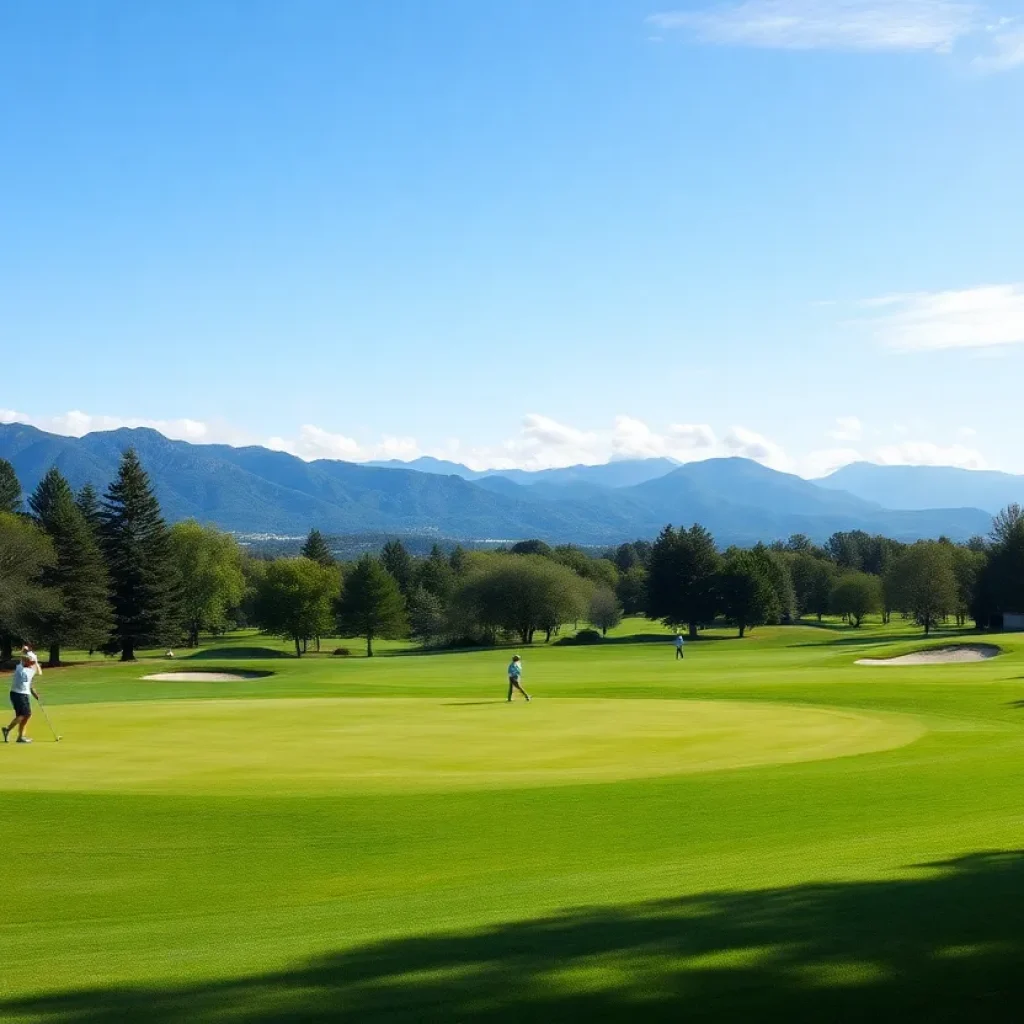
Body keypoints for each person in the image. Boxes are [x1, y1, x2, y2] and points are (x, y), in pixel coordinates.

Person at [4, 649, 41, 744]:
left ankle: (20, 737)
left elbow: (30, 684)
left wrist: (34, 693)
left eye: (32, 662)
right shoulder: (19, 667)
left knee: (25, 715)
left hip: (23, 694)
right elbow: (22, 657)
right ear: (26, 662)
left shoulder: (31, 671)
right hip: (18, 694)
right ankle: (8, 729)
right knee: (25, 714)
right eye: (30, 662)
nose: (32, 663)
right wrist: (26, 651)